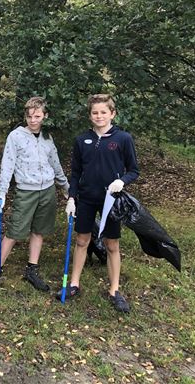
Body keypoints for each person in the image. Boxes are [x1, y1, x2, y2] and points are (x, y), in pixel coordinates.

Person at [57, 94, 139, 313]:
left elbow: (134, 170)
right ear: (90, 115)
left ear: (112, 113)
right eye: (95, 112)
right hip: (85, 197)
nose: (99, 116)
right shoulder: (82, 140)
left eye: (104, 112)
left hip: (110, 199)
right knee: (82, 240)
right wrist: (71, 197)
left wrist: (122, 181)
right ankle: (74, 284)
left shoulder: (123, 138)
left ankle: (114, 290)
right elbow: (75, 172)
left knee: (112, 244)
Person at [0, 97, 70, 292]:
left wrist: (65, 186)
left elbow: (54, 162)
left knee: (38, 230)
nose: (33, 120)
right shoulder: (16, 136)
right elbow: (8, 164)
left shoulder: (47, 137)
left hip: (47, 190)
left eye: (37, 116)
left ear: (45, 116)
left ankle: (32, 269)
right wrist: (1, 191)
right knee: (14, 231)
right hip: (26, 191)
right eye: (29, 116)